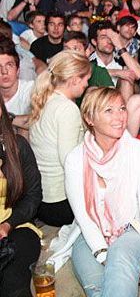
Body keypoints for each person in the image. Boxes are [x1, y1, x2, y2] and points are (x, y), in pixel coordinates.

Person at [65, 87, 140, 296]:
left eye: (122, 108)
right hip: (89, 233)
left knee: (120, 264)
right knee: (98, 288)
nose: (119, 117)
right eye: (109, 110)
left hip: (134, 226)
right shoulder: (76, 159)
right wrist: (104, 254)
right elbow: (84, 217)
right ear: (89, 118)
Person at [29, 50, 91, 226]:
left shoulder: (45, 99)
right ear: (74, 80)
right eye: (86, 79)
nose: (87, 84)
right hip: (61, 204)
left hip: (43, 200)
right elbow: (70, 161)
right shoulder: (66, 109)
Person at [0, 93, 42, 297]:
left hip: (17, 225)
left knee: (13, 280)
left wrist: (7, 224)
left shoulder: (17, 146)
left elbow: (33, 196)